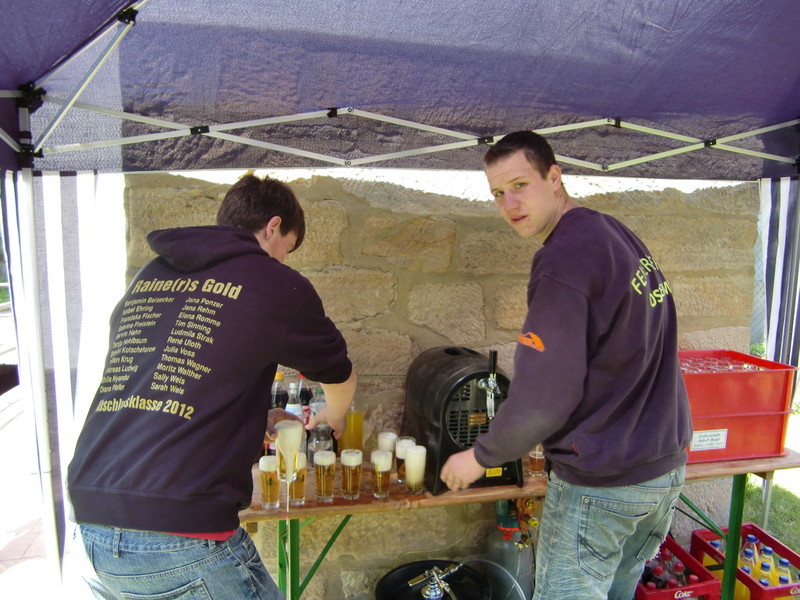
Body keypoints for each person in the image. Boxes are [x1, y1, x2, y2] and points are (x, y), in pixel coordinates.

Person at [67, 174, 356, 600]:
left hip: (90, 524)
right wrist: (335, 415)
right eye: (287, 248)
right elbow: (338, 373)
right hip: (178, 535)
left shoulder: (151, 275)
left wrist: (255, 417)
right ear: (273, 226)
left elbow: (162, 387)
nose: (283, 260)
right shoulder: (274, 281)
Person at [440, 131, 692, 600]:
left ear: (554, 177)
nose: (510, 204)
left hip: (604, 482)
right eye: (498, 193)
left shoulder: (563, 261)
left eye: (520, 185)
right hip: (662, 470)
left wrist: (481, 455)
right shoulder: (610, 233)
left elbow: (545, 393)